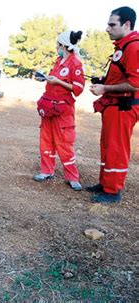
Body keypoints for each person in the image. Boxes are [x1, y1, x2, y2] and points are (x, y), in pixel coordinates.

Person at [88, 6, 139, 203]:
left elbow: (135, 83)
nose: (107, 29)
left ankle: (113, 191)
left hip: (123, 107)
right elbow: (122, 75)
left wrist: (105, 89)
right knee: (108, 146)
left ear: (126, 24)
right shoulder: (122, 46)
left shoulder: (133, 47)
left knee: (117, 148)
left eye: (112, 24)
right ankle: (105, 183)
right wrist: (103, 81)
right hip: (114, 107)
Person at [32, 30, 85, 191]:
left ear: (64, 45)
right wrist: (45, 78)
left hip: (63, 109)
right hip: (49, 107)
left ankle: (72, 177)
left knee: (64, 142)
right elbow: (53, 79)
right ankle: (46, 171)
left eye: (58, 44)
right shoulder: (59, 61)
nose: (56, 47)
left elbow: (79, 88)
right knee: (46, 139)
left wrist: (59, 82)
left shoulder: (75, 63)